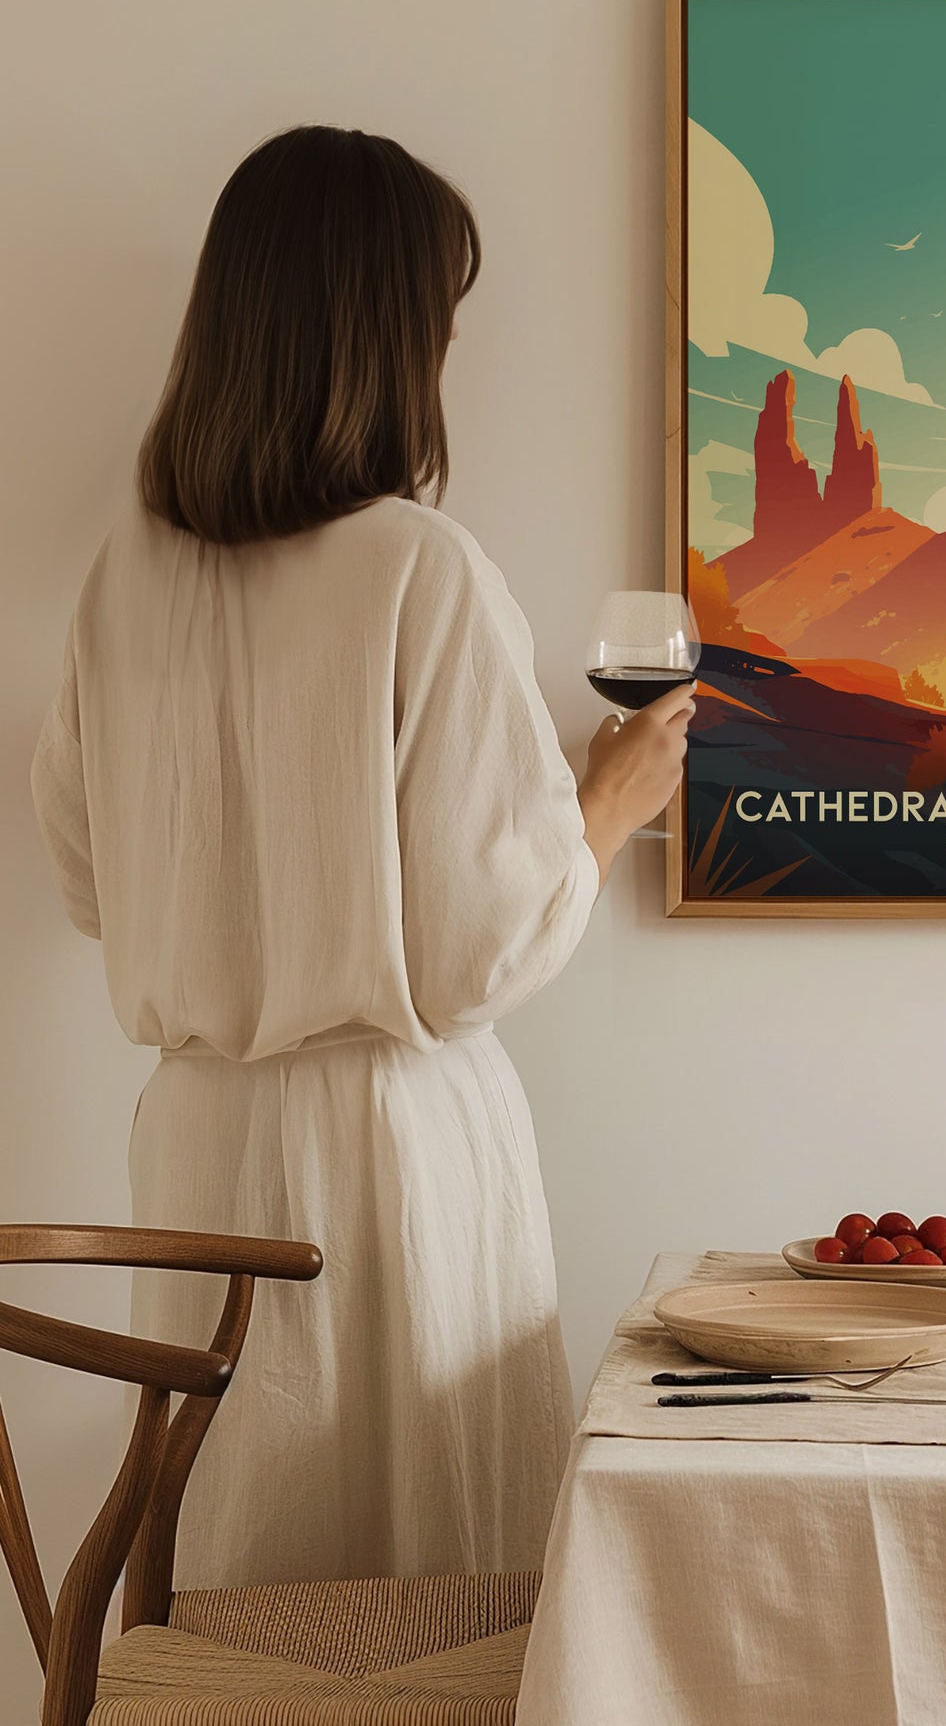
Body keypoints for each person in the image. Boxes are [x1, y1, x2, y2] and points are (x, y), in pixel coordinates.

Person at [30, 126, 692, 1588]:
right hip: (392, 1153)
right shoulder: (418, 566)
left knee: (240, 1575)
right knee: (426, 1592)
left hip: (196, 1143)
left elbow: (87, 879)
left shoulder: (122, 578)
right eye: (438, 326)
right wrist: (607, 801)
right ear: (386, 336)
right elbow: (476, 951)